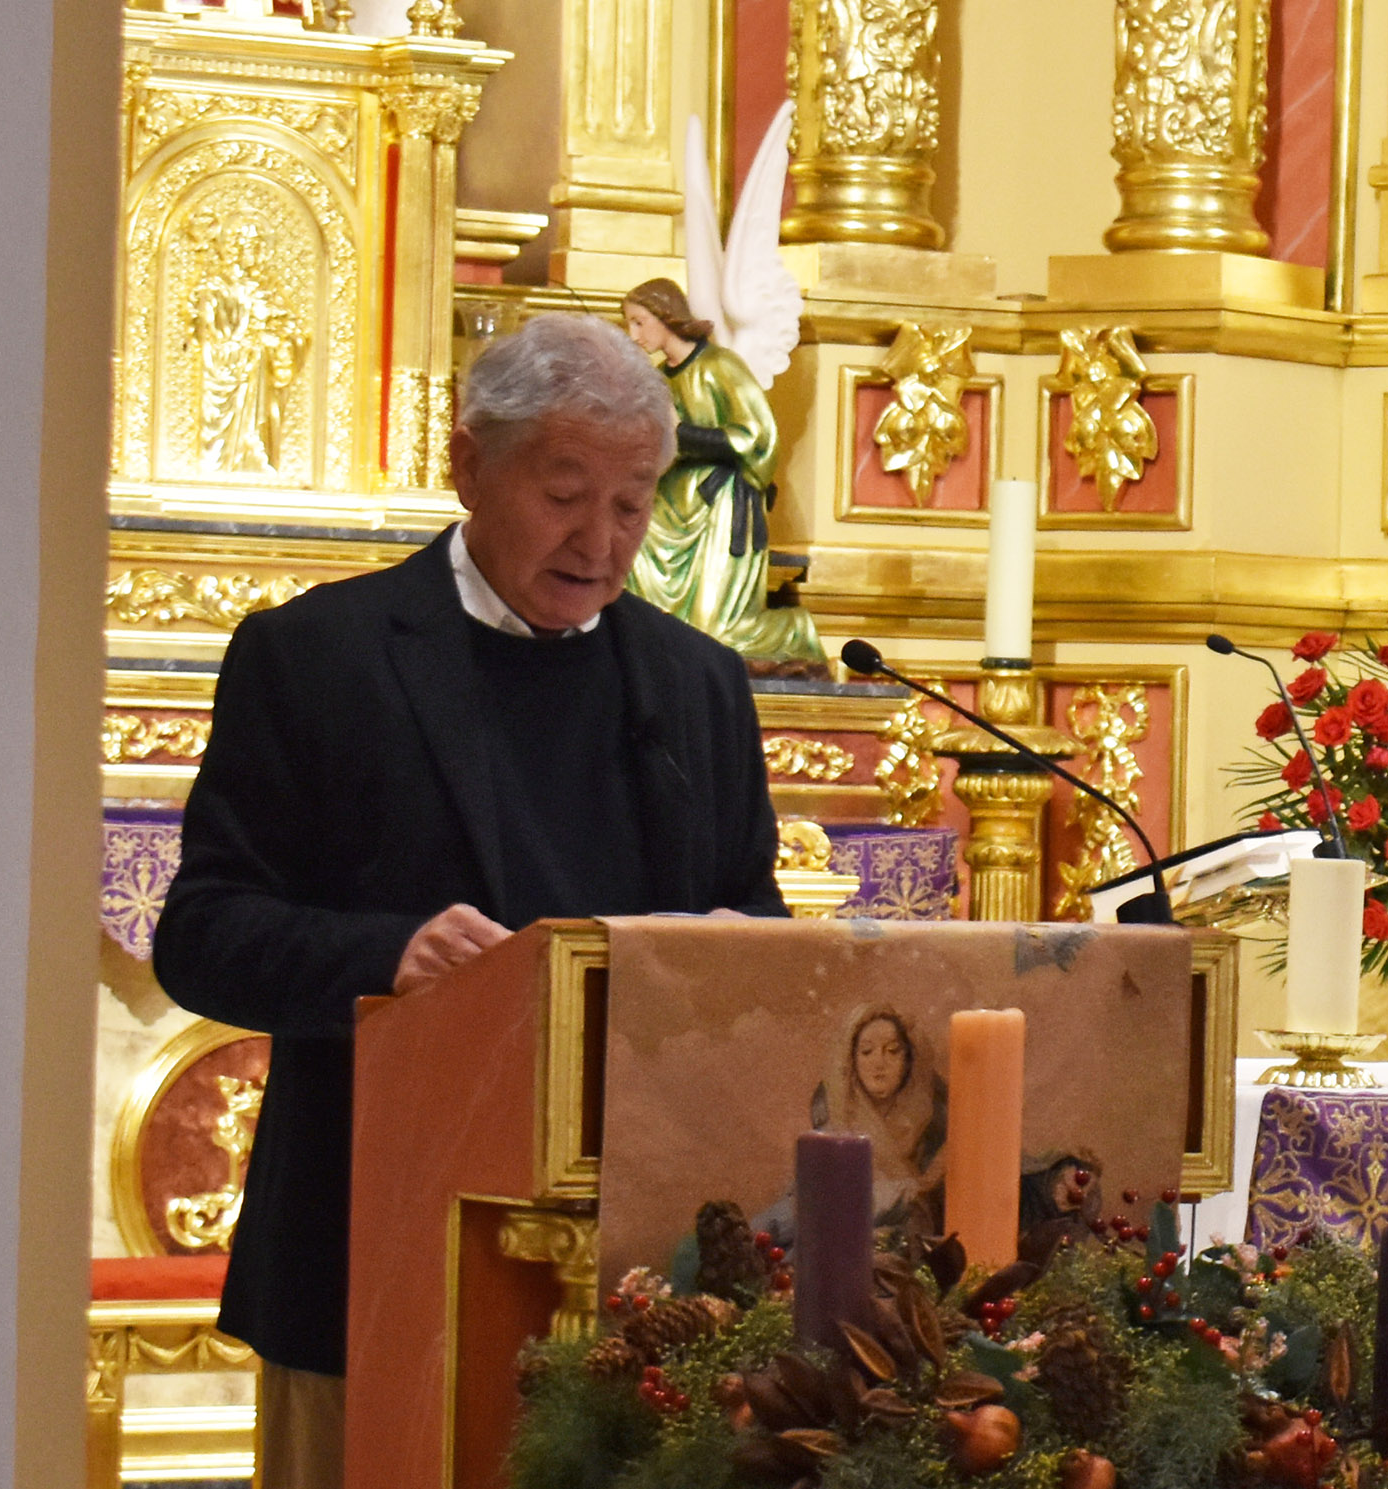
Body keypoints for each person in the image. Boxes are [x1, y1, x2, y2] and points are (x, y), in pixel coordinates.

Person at [152, 312, 789, 1489]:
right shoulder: (317, 657)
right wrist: (389, 953)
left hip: (646, 1277)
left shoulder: (694, 684)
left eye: (632, 503)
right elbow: (200, 936)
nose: (600, 540)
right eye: (564, 494)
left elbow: (753, 915)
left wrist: (730, 954)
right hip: (375, 1250)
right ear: (467, 466)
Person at [619, 278, 824, 665]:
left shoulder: (719, 367)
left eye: (639, 322)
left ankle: (796, 631)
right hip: (671, 504)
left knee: (712, 634)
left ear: (666, 317)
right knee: (632, 561)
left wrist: (683, 435)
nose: (633, 334)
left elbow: (757, 437)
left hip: (720, 502)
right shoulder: (660, 380)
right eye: (629, 323)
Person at [811, 1004, 948, 1230]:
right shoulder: (833, 1115)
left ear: (909, 1059)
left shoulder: (933, 1121)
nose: (879, 1063)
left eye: (893, 1050)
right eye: (866, 1051)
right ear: (851, 1060)